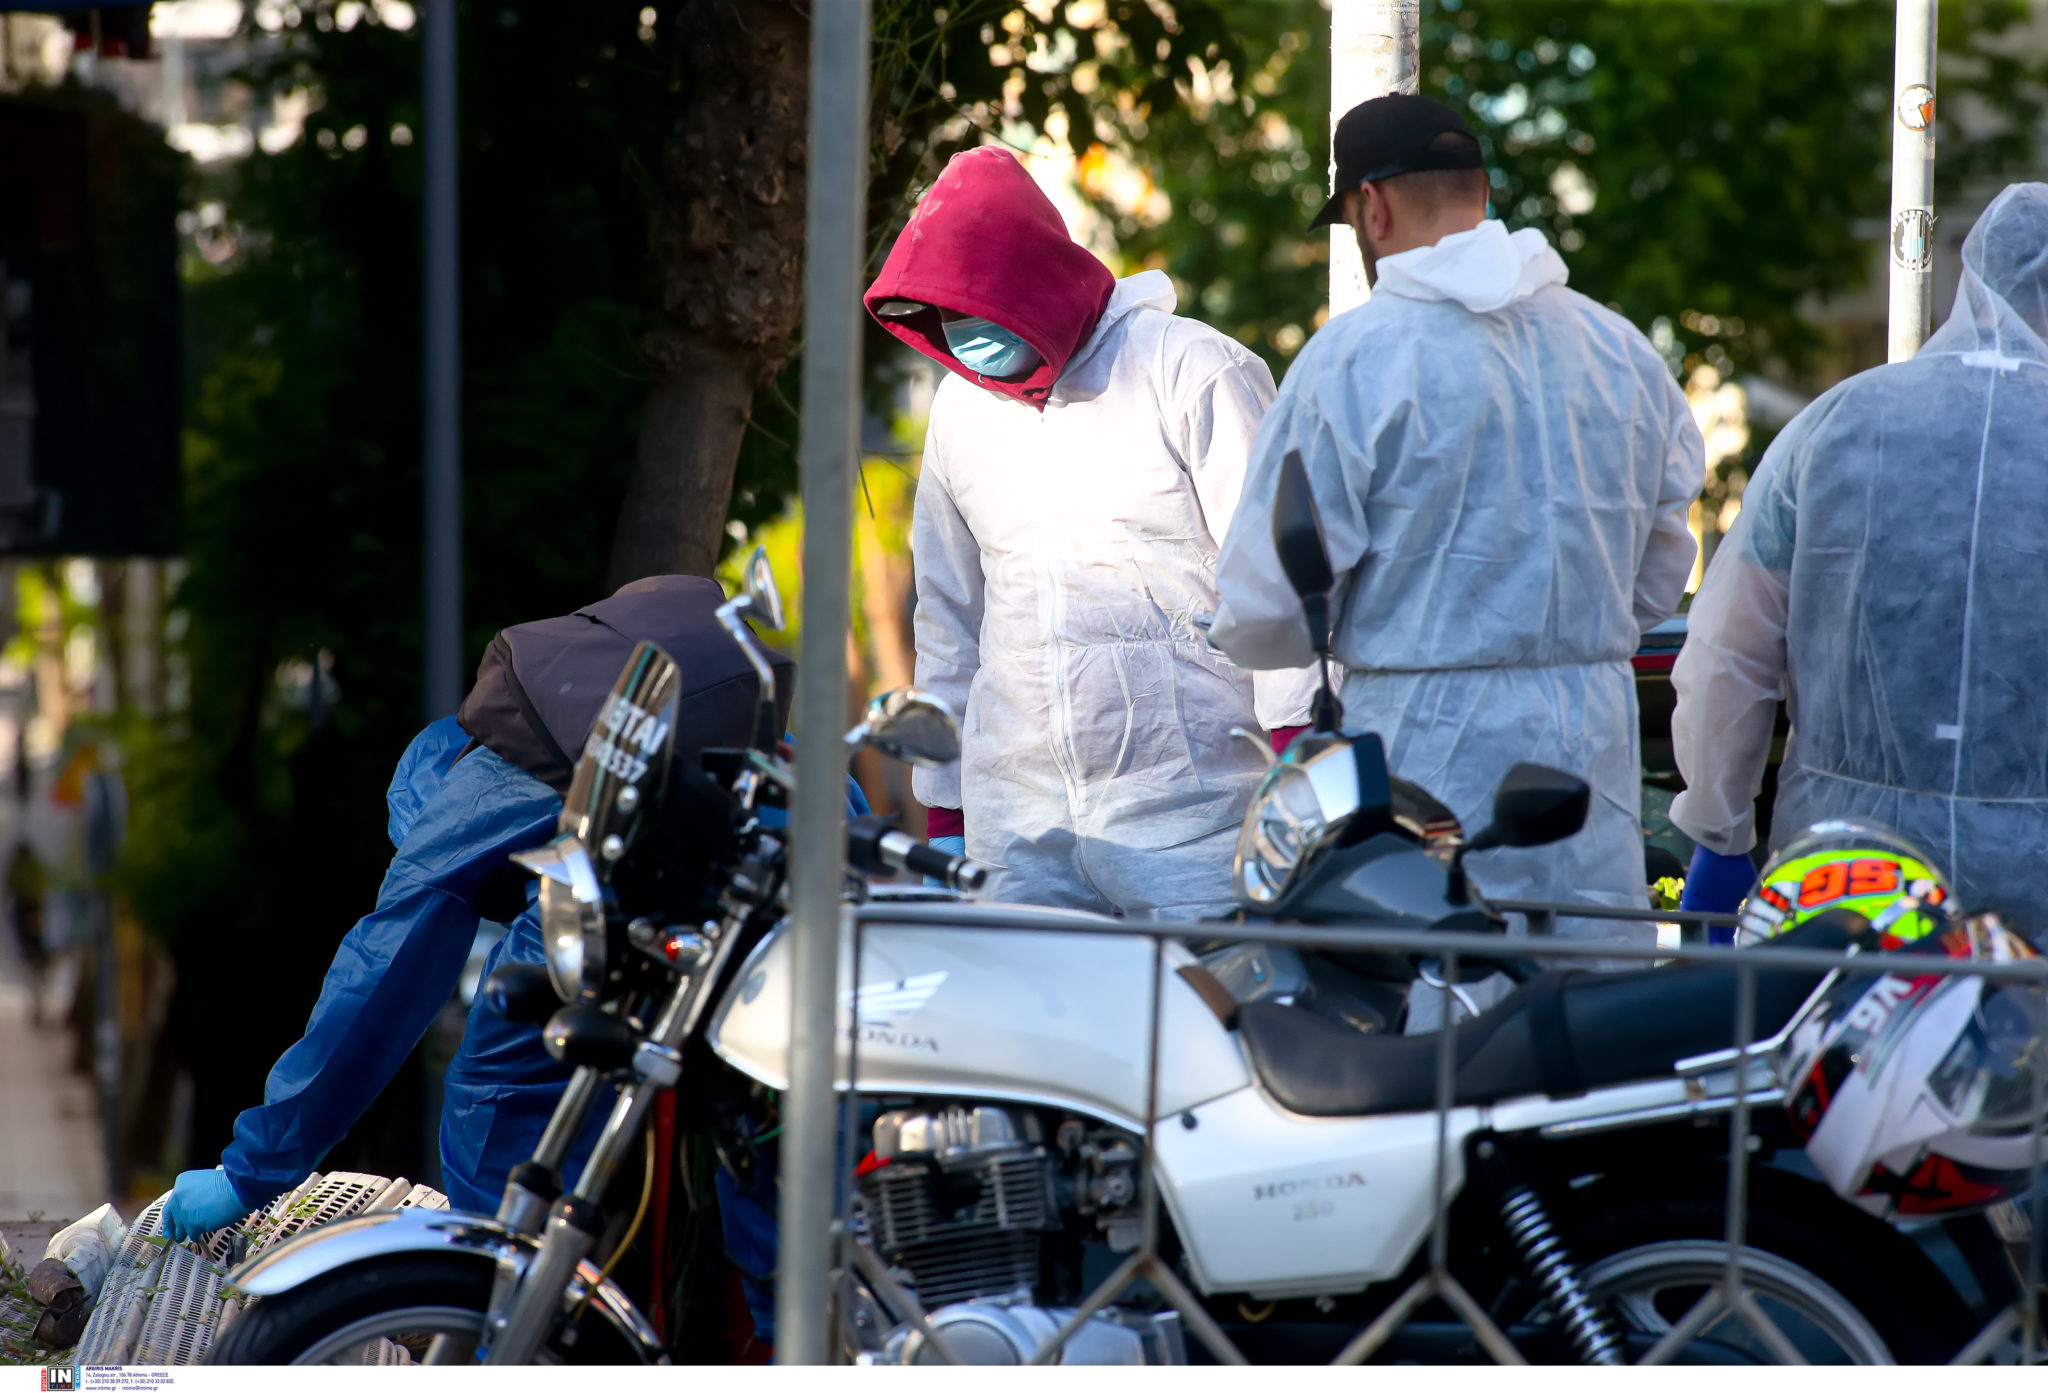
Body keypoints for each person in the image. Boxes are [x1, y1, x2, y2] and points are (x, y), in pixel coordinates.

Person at [1210, 95, 1703, 1011]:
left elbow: (1268, 605)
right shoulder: (1619, 350)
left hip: (1428, 754)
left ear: (1373, 208)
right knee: (1592, 1034)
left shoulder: (1355, 358)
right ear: (1478, 191)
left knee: (1449, 1039)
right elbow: (1664, 566)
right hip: (1588, 741)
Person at [161, 576, 821, 1239]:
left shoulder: (478, 791)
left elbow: (378, 982)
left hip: (650, 838)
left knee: (493, 1093)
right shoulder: (551, 704)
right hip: (773, 805)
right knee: (757, 1092)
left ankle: (497, 1319)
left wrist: (249, 1172)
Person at [864, 145, 1315, 919]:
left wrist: (1296, 760)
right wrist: (946, 812)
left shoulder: (1191, 370)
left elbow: (1277, 579)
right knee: (1036, 1035)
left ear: (1033, 281)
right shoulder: (961, 413)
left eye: (977, 312)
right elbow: (949, 620)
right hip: (1021, 830)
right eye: (946, 320)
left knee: (1207, 1025)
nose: (964, 338)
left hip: (1195, 818)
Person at [1671, 184, 2048, 937]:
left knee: (1833, 1057)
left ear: (1973, 277)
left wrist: (1719, 829)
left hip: (1845, 878)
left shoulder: (1838, 424)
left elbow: (1728, 653)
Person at [6, 841, 48, 1025]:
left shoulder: (19, 867)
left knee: (29, 954)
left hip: (25, 912)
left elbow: (9, 887)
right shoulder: (33, 867)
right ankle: (37, 1000)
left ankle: (37, 1000)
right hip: (31, 911)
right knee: (33, 956)